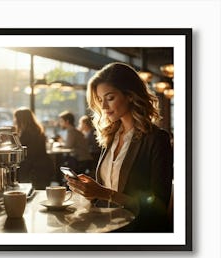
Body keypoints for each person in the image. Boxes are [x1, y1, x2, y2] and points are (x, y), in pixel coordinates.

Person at [65, 62, 173, 232]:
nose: (104, 107)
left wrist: (104, 193)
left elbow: (158, 206)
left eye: (110, 98)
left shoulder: (157, 139)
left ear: (130, 95)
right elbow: (109, 188)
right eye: (100, 100)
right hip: (107, 224)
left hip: (139, 230)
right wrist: (92, 191)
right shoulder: (110, 136)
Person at [13, 108, 54, 189]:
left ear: (21, 119)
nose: (15, 121)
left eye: (16, 118)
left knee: (30, 193)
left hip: (33, 169)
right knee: (42, 193)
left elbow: (26, 153)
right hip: (44, 166)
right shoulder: (38, 130)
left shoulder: (26, 134)